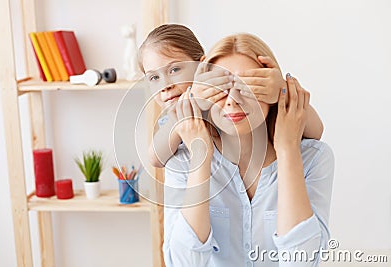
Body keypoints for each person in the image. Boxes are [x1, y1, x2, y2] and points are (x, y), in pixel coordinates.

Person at [163, 33, 335, 266]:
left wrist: (287, 150)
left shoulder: (314, 158)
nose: (232, 101)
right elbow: (184, 263)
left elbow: (302, 261)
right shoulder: (182, 163)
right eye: (220, 88)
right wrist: (201, 160)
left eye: (247, 87)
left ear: (272, 94)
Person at [139, 24, 324, 168]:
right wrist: (193, 101)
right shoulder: (169, 119)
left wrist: (282, 89)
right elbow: (155, 158)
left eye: (175, 69)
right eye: (154, 77)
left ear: (203, 66)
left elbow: (316, 131)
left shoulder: (229, 101)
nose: (165, 85)